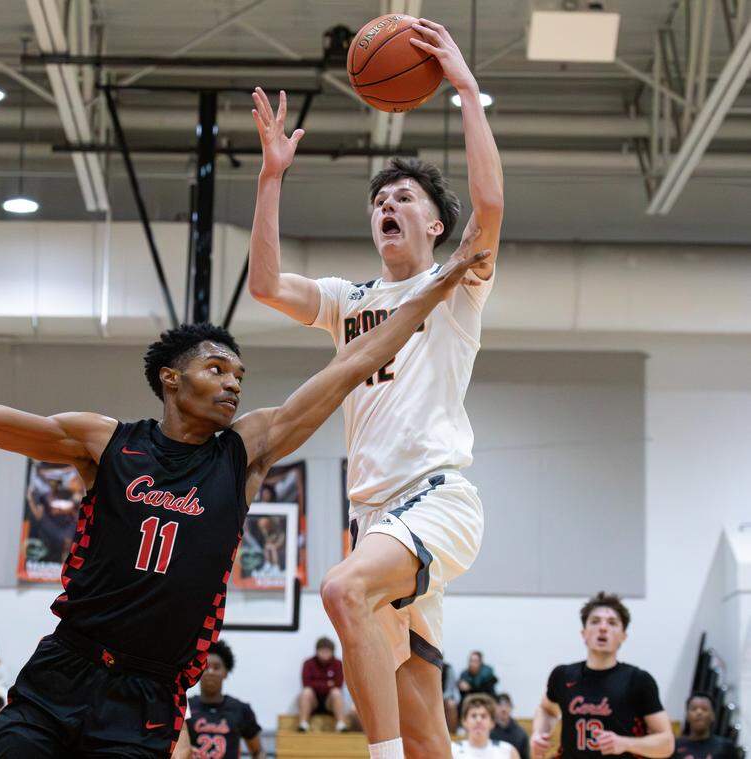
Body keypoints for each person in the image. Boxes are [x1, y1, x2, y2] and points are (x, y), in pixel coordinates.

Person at [0, 239, 488, 759]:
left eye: (240, 374)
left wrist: (433, 288)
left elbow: (354, 364)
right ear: (169, 378)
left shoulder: (244, 451)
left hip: (149, 694)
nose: (233, 384)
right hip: (62, 670)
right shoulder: (104, 442)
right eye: (216, 368)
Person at [247, 17, 504, 759]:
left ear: (433, 222)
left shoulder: (453, 283)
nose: (386, 204)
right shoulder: (349, 299)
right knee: (428, 733)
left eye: (403, 196)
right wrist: (271, 178)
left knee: (339, 589)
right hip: (373, 518)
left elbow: (489, 209)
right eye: (379, 198)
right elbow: (264, 283)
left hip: (435, 499)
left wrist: (463, 92)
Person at [530, 592, 674, 758]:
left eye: (612, 623)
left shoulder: (638, 680)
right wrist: (538, 733)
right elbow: (547, 709)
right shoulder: (562, 675)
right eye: (595, 621)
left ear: (623, 636)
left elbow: (666, 743)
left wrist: (625, 743)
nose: (603, 628)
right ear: (584, 634)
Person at [185, 640, 264, 759]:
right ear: (198, 672)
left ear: (225, 672)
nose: (210, 672)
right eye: (206, 667)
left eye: (216, 667)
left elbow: (258, 752)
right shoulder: (185, 708)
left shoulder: (241, 709)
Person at [298, 637, 347, 732]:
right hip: (313, 701)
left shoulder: (338, 664)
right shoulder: (308, 663)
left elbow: (338, 684)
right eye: (322, 651)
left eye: (327, 651)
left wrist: (317, 683)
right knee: (306, 692)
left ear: (332, 652)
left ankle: (341, 723)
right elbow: (306, 683)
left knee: (336, 692)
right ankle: (303, 723)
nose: (325, 654)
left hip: (330, 702)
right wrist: (328, 684)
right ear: (317, 651)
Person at [453, 694, 518, 759]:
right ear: (464, 721)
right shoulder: (453, 750)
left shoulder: (508, 751)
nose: (478, 720)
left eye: (483, 716)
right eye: (473, 716)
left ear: (492, 722)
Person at [674, 693, 736, 759]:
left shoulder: (725, 747)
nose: (699, 712)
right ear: (687, 716)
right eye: (694, 709)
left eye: (704, 709)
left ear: (712, 715)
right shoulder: (675, 746)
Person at [491, 694, 529, 759]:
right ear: (494, 707)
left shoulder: (520, 734)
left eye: (507, 705)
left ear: (511, 707)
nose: (503, 709)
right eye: (500, 705)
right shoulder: (488, 730)